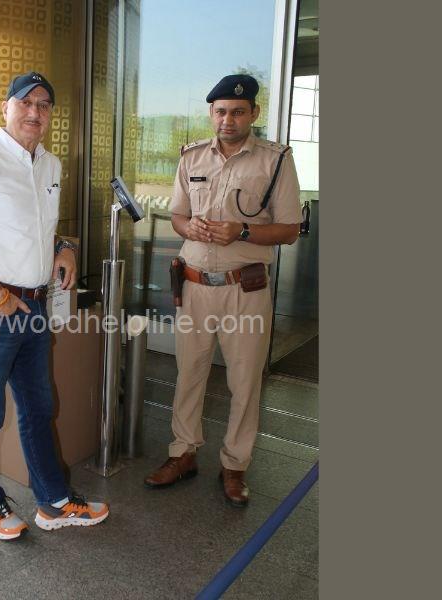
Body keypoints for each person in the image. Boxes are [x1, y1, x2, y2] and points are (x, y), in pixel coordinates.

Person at [0, 72, 109, 540]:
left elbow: (39, 230)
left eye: (44, 105)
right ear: (6, 107)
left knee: (39, 407)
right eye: (25, 102)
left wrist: (65, 248)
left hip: (34, 307)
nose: (35, 112)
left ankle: (54, 502)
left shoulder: (50, 165)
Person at [144, 74, 302, 507]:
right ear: (211, 114)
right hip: (195, 286)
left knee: (244, 381)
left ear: (253, 113)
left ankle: (235, 465)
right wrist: (188, 227)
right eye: (220, 112)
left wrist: (243, 230)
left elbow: (290, 229)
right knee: (188, 375)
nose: (227, 119)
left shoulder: (275, 160)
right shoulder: (191, 156)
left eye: (237, 112)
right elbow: (178, 215)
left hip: (244, 290)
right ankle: (183, 453)